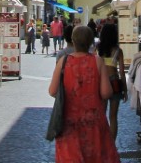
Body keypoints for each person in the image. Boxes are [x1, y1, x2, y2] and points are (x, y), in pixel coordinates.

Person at [49, 25, 119, 163]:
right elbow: (106, 93)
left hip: (69, 122)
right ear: (90, 42)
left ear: (73, 41)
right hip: (93, 122)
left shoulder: (63, 61)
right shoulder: (97, 61)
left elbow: (52, 91)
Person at [96, 22, 126, 141]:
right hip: (114, 82)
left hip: (101, 82)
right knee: (113, 117)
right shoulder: (118, 51)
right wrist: (125, 90)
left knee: (101, 115)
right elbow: (122, 72)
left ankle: (101, 142)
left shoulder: (98, 49)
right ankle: (112, 144)